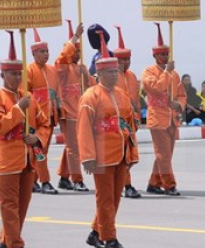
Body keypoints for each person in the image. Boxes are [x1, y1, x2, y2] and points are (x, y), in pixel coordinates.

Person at [0, 31, 51, 248]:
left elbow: (44, 123)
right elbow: (0, 125)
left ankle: (6, 242)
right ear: (3, 75)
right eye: (13, 74)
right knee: (9, 206)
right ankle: (15, 244)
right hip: (8, 161)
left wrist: (37, 138)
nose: (17, 78)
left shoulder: (29, 97)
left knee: (21, 207)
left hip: (28, 159)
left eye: (19, 74)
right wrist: (17, 109)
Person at [79, 31, 139, 248]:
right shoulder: (90, 97)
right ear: (100, 73)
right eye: (110, 72)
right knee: (104, 199)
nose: (115, 75)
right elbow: (84, 129)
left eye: (116, 71)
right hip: (102, 156)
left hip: (121, 154)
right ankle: (108, 238)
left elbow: (129, 126)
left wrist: (133, 153)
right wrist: (87, 157)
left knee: (114, 199)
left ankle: (96, 232)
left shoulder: (122, 95)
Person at [141, 23, 186, 196]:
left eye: (167, 53)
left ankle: (154, 183)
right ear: (154, 55)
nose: (165, 56)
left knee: (165, 155)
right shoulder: (148, 73)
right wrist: (167, 72)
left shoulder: (175, 74)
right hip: (157, 118)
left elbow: (181, 94)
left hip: (172, 118)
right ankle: (169, 185)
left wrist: (179, 105)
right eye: (161, 54)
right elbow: (157, 88)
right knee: (163, 155)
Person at [55, 20, 93, 192]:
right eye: (75, 50)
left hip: (80, 113)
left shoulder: (81, 68)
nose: (78, 54)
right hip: (68, 113)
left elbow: (93, 89)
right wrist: (76, 36)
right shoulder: (62, 68)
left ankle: (64, 177)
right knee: (74, 147)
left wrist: (86, 75)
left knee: (72, 146)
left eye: (79, 51)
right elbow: (62, 57)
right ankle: (77, 179)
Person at [26, 28, 59, 194]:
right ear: (34, 53)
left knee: (42, 150)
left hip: (50, 116)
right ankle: (44, 181)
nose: (46, 54)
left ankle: (32, 181)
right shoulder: (29, 70)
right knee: (39, 150)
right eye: (42, 51)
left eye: (47, 51)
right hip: (37, 118)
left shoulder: (52, 70)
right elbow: (26, 94)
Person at [114, 25, 142, 199]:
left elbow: (136, 101)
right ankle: (127, 185)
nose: (126, 63)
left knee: (129, 156)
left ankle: (122, 182)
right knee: (122, 155)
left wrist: (138, 117)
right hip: (116, 123)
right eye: (123, 60)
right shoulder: (110, 76)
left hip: (131, 122)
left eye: (128, 59)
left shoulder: (132, 76)